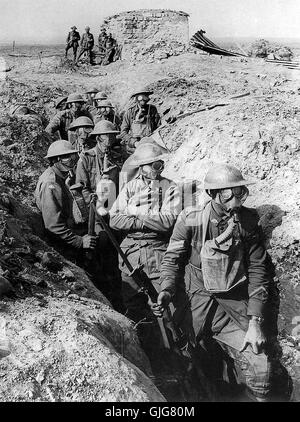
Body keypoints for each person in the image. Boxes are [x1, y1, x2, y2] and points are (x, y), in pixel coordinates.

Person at [154, 163, 281, 402]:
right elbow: (172, 259)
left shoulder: (249, 222)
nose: (235, 199)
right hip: (193, 305)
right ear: (212, 195)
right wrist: (167, 290)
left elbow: (257, 271)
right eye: (226, 193)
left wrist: (255, 321)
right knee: (185, 367)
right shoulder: (191, 220)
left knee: (260, 366)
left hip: (231, 307)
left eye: (240, 191)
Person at [109, 143, 181, 359]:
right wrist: (145, 220)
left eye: (161, 164)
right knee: (135, 306)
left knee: (167, 308)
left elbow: (167, 222)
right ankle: (147, 356)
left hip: (158, 253)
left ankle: (177, 359)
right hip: (131, 253)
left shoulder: (171, 187)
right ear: (142, 167)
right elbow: (114, 219)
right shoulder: (130, 187)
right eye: (154, 165)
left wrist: (135, 214)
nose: (159, 168)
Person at [75, 120, 125, 310]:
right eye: (106, 136)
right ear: (98, 138)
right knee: (99, 249)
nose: (110, 139)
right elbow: (80, 187)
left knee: (114, 251)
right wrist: (94, 203)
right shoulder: (86, 158)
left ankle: (116, 290)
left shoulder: (116, 157)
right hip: (95, 213)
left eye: (112, 135)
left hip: (114, 211)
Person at [34, 140, 96, 264]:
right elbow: (53, 225)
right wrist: (80, 241)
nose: (72, 160)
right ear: (56, 159)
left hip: (67, 234)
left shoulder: (62, 177)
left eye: (72, 156)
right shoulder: (51, 183)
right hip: (60, 244)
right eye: (66, 157)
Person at [120, 89, 161, 155]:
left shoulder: (152, 109)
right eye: (140, 97)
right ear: (136, 99)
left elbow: (158, 127)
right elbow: (123, 132)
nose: (142, 100)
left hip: (150, 144)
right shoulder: (130, 112)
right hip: (134, 147)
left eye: (145, 97)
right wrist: (134, 142)